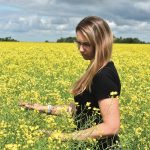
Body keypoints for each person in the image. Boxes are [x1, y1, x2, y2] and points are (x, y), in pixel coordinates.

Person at [19, 16, 122, 149]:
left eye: (86, 44)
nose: (80, 49)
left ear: (101, 43)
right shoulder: (96, 70)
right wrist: (43, 108)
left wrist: (64, 137)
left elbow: (111, 127)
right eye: (78, 43)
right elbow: (82, 110)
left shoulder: (103, 76)